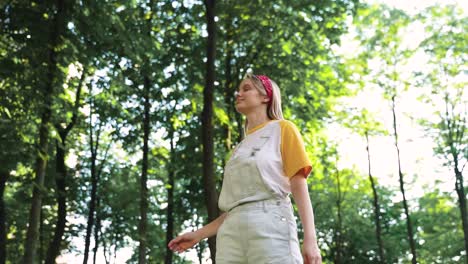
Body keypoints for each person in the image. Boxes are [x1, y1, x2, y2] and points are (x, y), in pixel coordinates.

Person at [168, 73, 322, 264]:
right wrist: (198, 234)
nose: (238, 94)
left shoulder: (282, 129)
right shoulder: (238, 150)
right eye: (238, 90)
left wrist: (310, 239)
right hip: (230, 236)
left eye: (246, 89)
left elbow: (299, 184)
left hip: (271, 227)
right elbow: (236, 207)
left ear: (266, 96)